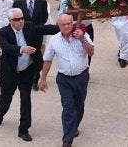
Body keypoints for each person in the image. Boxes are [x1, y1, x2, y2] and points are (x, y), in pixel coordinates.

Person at [0, 8, 59, 142]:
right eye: (17, 20)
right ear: (10, 21)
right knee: (6, 97)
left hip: (26, 72)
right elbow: (6, 47)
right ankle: (0, 113)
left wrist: (64, 27)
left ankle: (24, 130)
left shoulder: (29, 26)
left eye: (22, 18)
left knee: (26, 100)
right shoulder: (3, 32)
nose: (21, 21)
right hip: (9, 72)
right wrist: (22, 49)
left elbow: (45, 29)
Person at [39, 14, 94, 147]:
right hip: (64, 79)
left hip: (81, 77)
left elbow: (91, 52)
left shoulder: (82, 35)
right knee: (68, 108)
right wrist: (43, 78)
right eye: (63, 24)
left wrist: (82, 39)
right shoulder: (55, 40)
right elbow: (47, 60)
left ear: (72, 23)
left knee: (79, 105)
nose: (66, 26)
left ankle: (74, 127)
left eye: (69, 23)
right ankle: (67, 139)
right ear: (59, 26)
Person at [13, 0, 50, 91]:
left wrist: (36, 28)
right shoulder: (18, 3)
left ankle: (35, 79)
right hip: (23, 34)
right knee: (24, 55)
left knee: (36, 57)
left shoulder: (42, 3)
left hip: (37, 35)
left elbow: (44, 17)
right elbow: (14, 18)